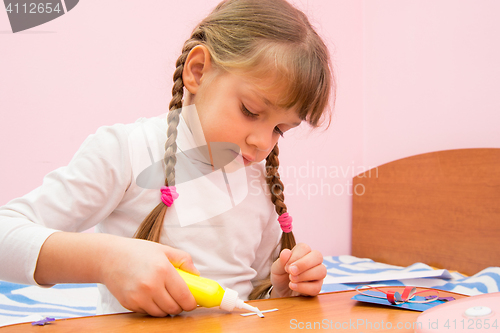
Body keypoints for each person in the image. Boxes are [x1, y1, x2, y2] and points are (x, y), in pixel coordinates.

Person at [0, 0, 333, 317]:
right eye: (250, 111)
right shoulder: (126, 150)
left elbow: (250, 294)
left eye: (280, 129)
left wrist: (282, 288)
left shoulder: (258, 182)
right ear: (198, 71)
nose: (262, 142)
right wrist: (106, 260)